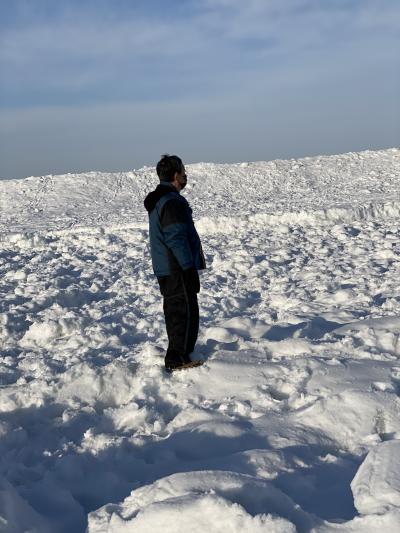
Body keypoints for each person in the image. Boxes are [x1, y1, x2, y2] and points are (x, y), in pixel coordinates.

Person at [144, 154, 206, 372]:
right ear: (174, 175)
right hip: (176, 268)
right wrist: (188, 268)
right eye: (182, 171)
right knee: (182, 311)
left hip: (169, 268)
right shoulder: (170, 202)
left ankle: (182, 354)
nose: (185, 175)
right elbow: (176, 238)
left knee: (179, 309)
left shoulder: (164, 199)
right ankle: (177, 359)